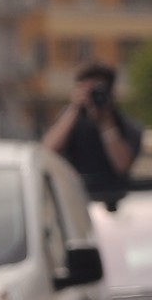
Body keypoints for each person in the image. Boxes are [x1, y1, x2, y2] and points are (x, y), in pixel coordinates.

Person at [39, 62, 142, 201]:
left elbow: (122, 165)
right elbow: (47, 150)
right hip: (74, 198)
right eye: (88, 91)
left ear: (112, 93)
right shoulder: (69, 121)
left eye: (99, 91)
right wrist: (74, 109)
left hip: (113, 200)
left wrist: (106, 123)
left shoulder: (126, 126)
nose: (94, 96)